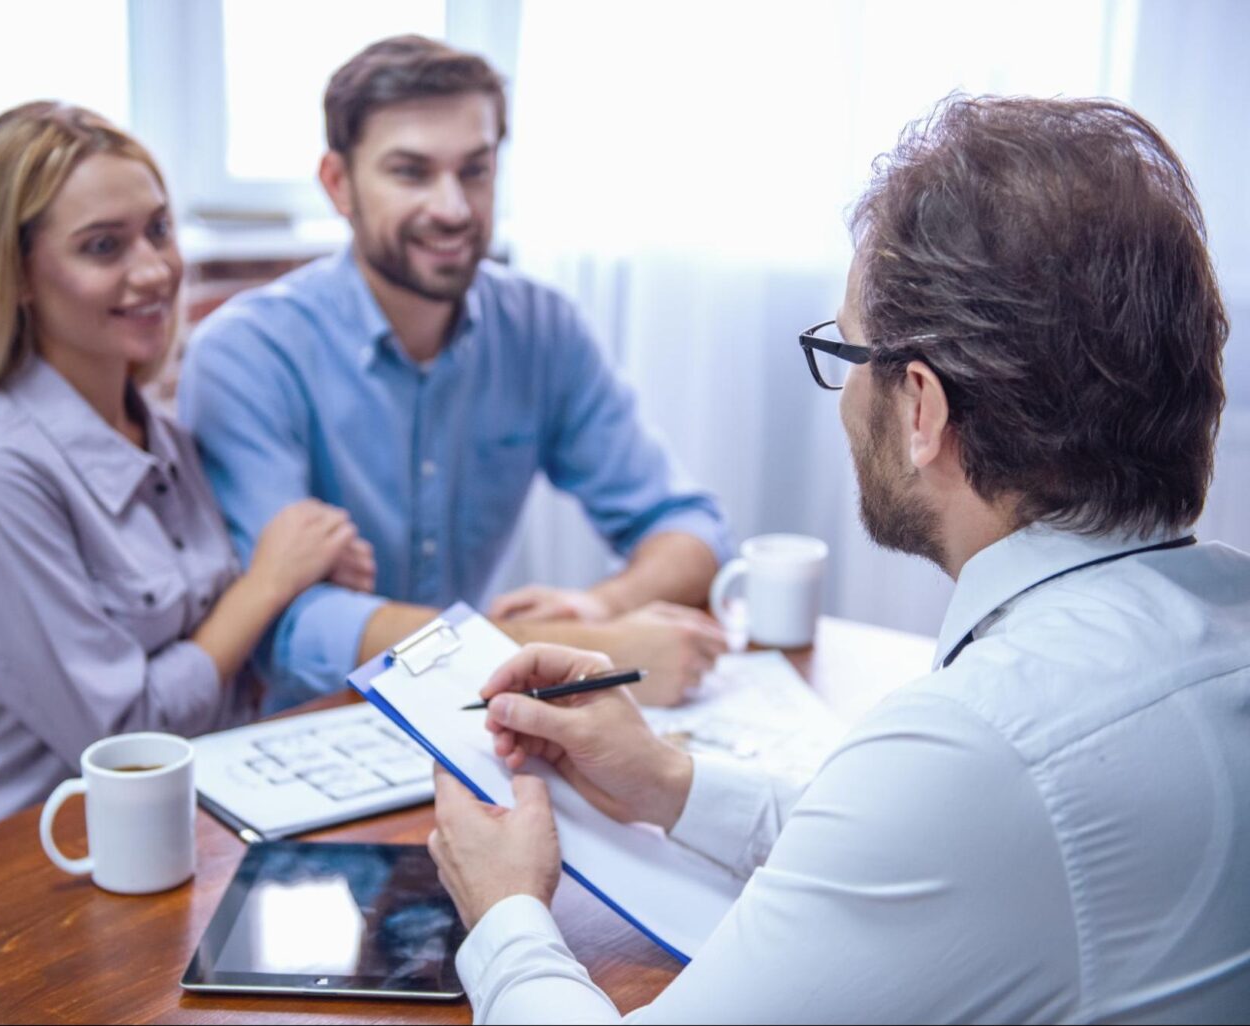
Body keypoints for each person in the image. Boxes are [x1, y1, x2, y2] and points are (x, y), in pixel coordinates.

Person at [426, 95, 1250, 1021]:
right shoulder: (1217, 628)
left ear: (921, 408)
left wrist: (503, 916)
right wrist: (671, 785)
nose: (846, 395)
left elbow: (952, 816)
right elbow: (923, 857)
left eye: (848, 351)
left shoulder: (984, 745)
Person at [180, 36, 731, 710]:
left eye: (475, 170)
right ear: (338, 184)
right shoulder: (246, 353)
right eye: (411, 172)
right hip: (316, 721)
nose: (454, 208)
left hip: (481, 713)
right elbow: (290, 627)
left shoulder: (540, 326)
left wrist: (600, 605)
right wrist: (584, 652)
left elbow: (689, 525)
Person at [0, 103, 372, 860]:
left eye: (160, 230)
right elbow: (122, 741)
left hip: (154, 848)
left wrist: (307, 567)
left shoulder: (164, 434)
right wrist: (265, 586)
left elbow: (212, 660)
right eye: (104, 246)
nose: (154, 271)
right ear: (14, 274)